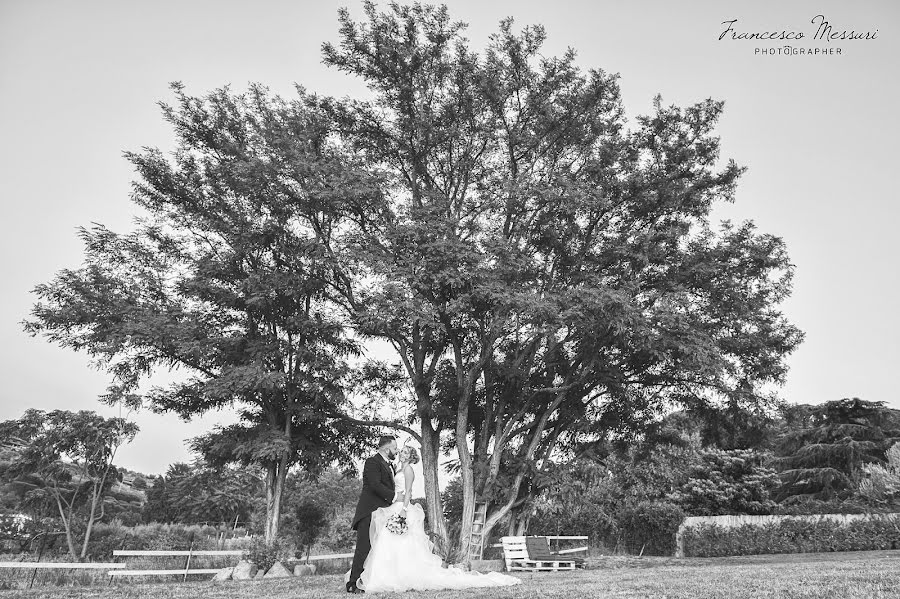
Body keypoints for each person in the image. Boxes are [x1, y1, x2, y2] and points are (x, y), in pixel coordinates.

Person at [352, 443, 521, 593]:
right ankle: (385, 575)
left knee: (401, 543)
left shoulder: (408, 470)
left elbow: (409, 492)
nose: (400, 453)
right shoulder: (396, 469)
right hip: (392, 507)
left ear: (410, 457)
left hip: (401, 508)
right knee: (387, 543)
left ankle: (401, 576)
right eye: (399, 451)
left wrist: (403, 509)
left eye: (403, 452)